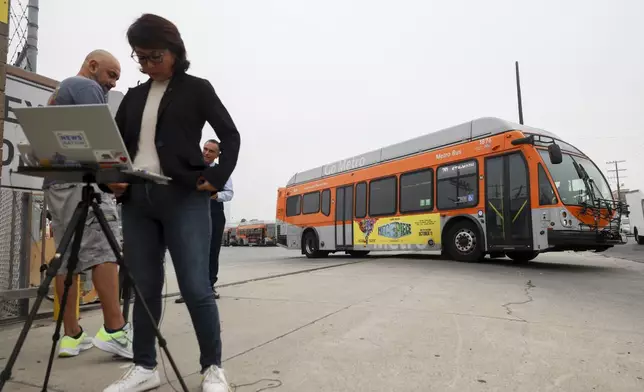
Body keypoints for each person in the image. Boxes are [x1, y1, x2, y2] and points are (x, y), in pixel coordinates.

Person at [101, 14, 241, 392]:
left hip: (183, 198)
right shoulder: (132, 97)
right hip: (137, 201)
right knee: (144, 288)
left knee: (196, 286)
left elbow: (230, 135)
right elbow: (113, 148)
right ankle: (145, 366)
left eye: (154, 56)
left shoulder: (198, 89)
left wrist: (213, 180)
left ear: (175, 51)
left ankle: (212, 368)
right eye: (140, 57)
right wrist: (111, 179)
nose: (147, 64)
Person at [44, 50, 133, 359]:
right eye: (111, 75)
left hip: (57, 184)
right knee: (104, 252)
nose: (111, 84)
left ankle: (71, 336)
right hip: (84, 183)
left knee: (65, 258)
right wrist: (115, 178)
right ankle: (115, 329)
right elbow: (98, 140)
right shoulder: (86, 87)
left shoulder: (60, 92)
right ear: (93, 66)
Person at [176, 139, 233, 304]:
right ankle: (188, 289)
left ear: (217, 155)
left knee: (211, 251)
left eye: (211, 151)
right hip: (192, 213)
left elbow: (229, 193)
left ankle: (209, 286)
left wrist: (217, 196)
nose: (207, 153)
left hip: (214, 214)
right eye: (205, 149)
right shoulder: (192, 168)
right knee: (190, 251)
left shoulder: (222, 172)